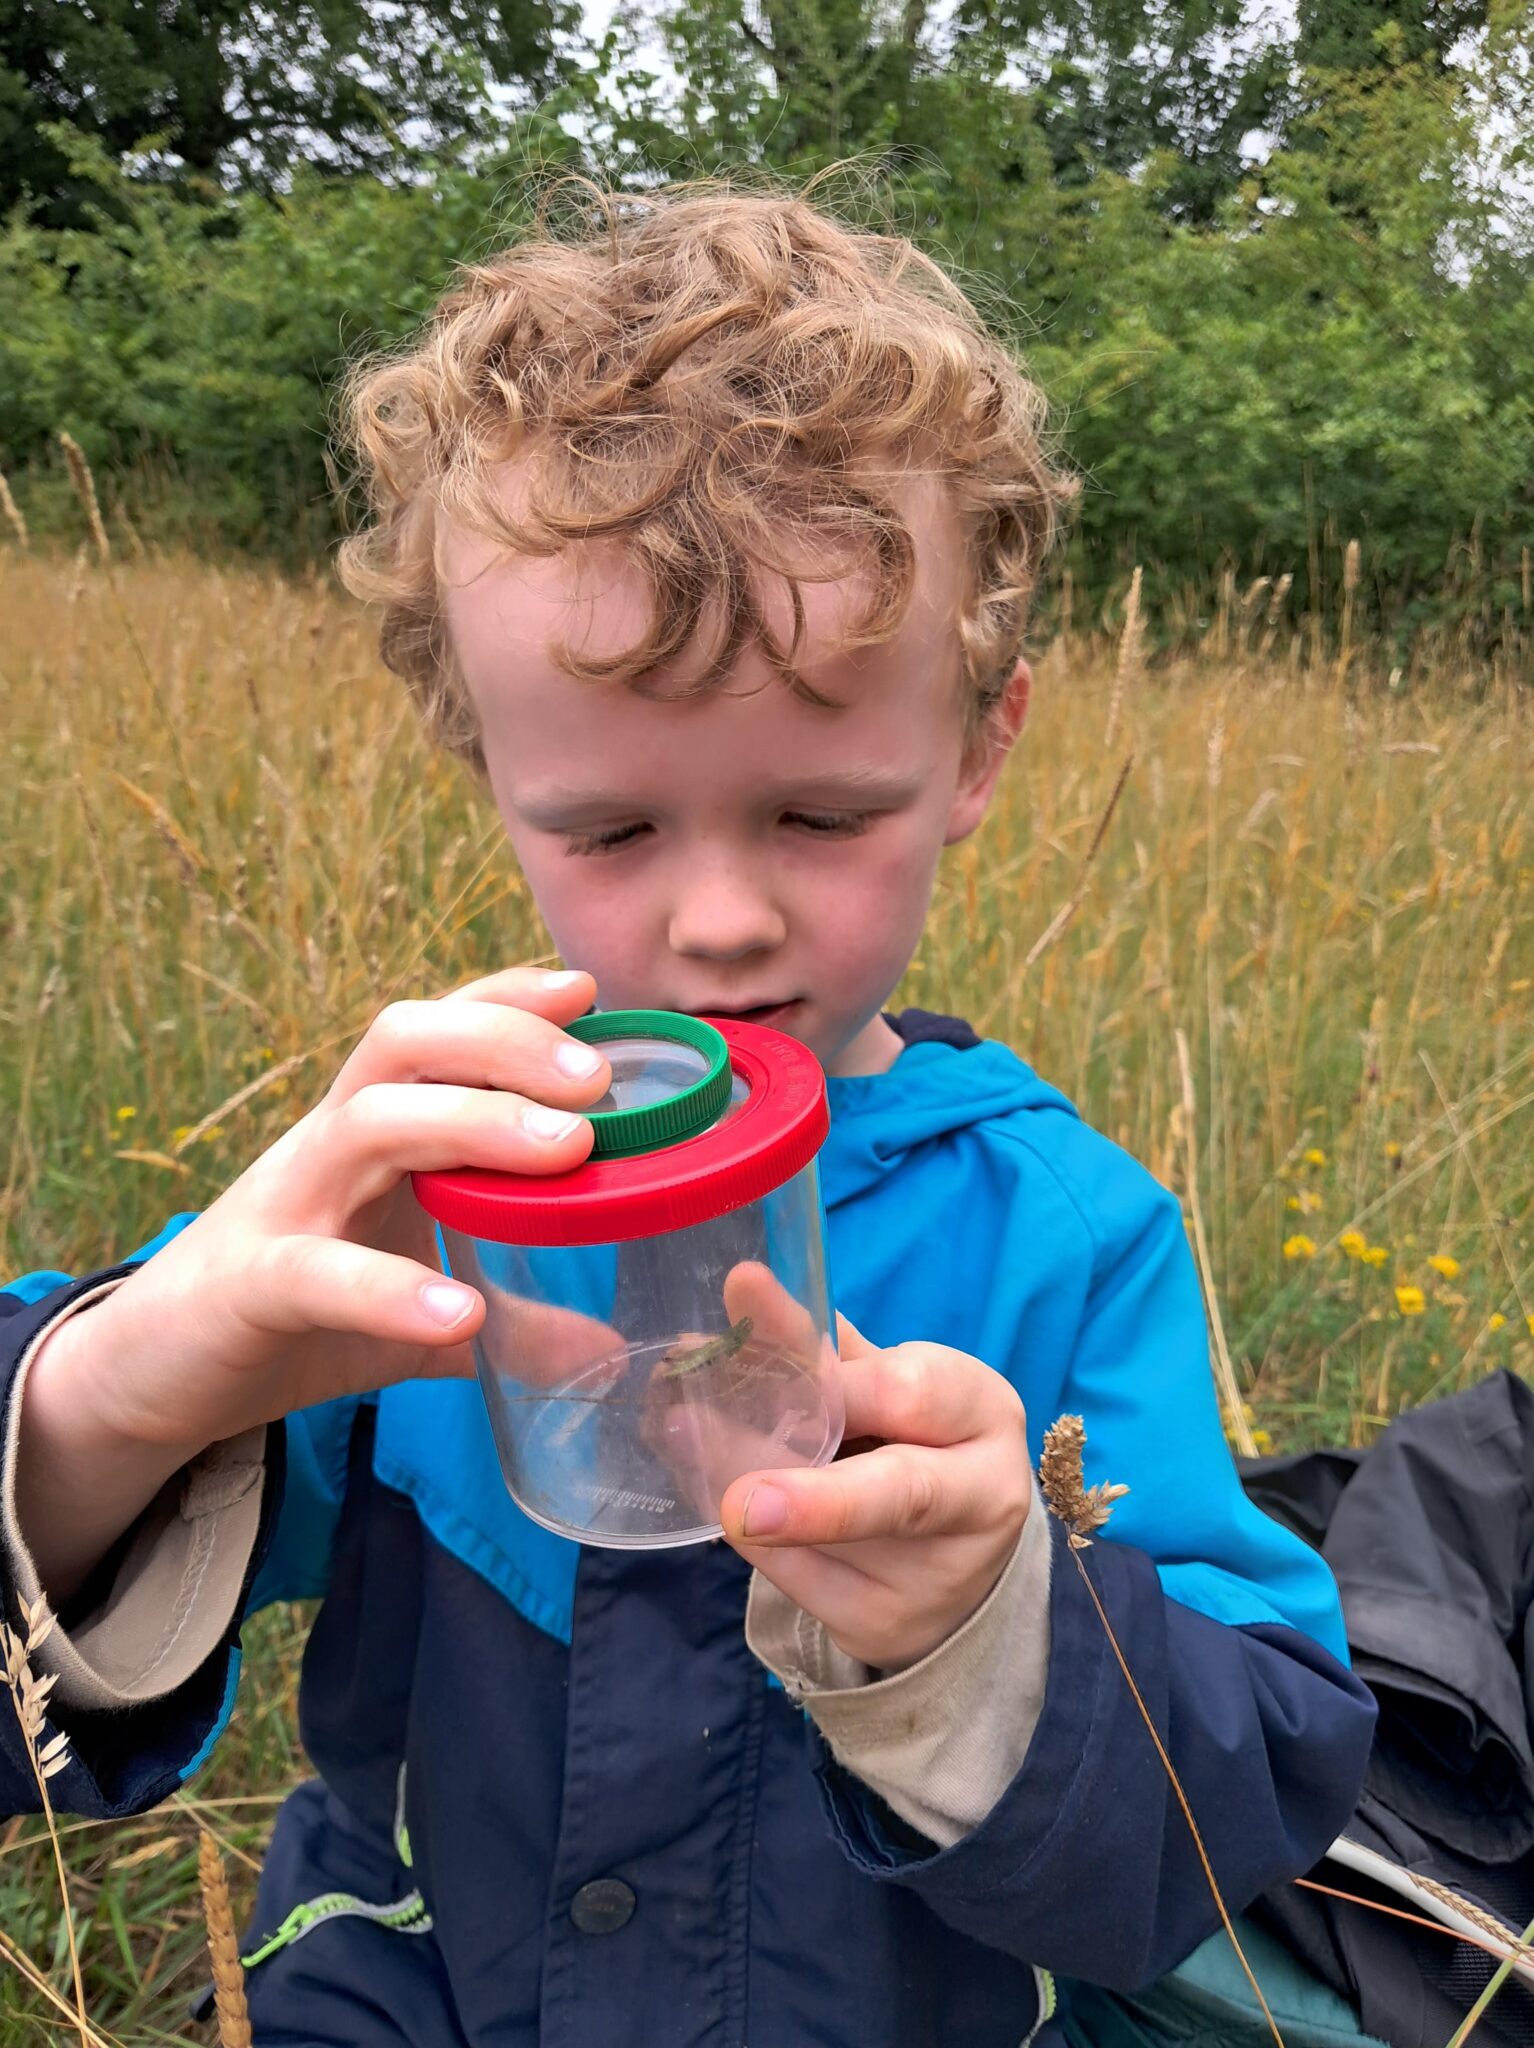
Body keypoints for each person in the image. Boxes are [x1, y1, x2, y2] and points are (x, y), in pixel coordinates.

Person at [0, 180, 1375, 2047]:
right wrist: (109, 1396)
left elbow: (1239, 1818)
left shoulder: (1060, 1228)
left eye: (819, 815)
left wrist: (979, 1623)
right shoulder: (421, 1182)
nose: (720, 918)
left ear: (977, 747)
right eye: (608, 828)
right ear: (487, 769)